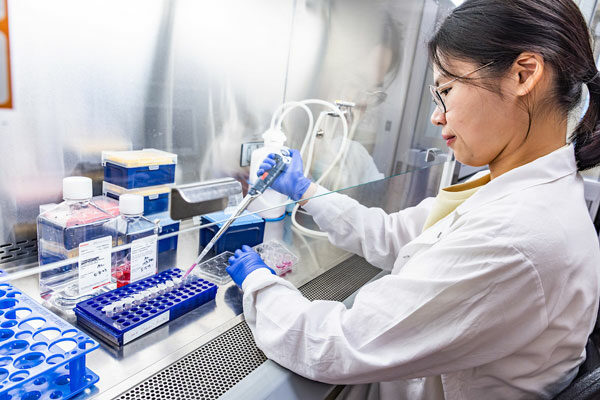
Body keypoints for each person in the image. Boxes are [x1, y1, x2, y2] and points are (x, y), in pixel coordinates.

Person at [226, 0, 600, 398]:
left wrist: (259, 285)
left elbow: (335, 346)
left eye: (446, 90)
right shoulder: (511, 187)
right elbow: (394, 235)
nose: (437, 116)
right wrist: (308, 193)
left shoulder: (521, 234)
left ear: (524, 74)